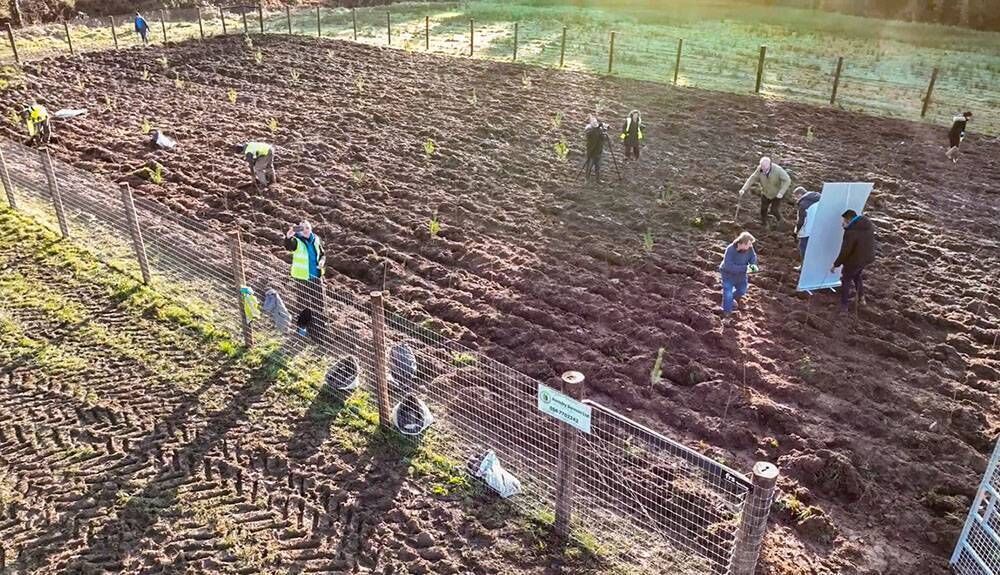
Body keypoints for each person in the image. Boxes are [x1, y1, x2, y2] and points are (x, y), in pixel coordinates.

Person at [284, 221, 326, 336]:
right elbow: (289, 245)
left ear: (311, 228)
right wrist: (289, 235)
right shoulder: (297, 241)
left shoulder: (316, 239)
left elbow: (322, 254)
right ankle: (303, 327)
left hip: (316, 277)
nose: (306, 230)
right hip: (302, 278)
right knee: (304, 303)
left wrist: (322, 262)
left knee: (319, 303)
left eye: (307, 227)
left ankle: (320, 327)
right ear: (299, 231)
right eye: (302, 228)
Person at [831, 209, 876, 313]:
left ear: (849, 220)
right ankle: (862, 298)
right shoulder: (867, 224)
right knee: (857, 275)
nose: (843, 224)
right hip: (867, 258)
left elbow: (845, 251)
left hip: (855, 260)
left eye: (844, 221)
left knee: (846, 279)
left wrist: (835, 264)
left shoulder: (851, 232)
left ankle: (844, 306)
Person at [738, 156, 791, 229]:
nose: (763, 169)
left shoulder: (778, 170)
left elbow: (787, 180)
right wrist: (743, 189)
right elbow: (752, 178)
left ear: (770, 164)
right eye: (762, 167)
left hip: (777, 194)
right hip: (766, 193)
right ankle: (764, 224)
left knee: (774, 210)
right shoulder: (760, 169)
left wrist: (781, 192)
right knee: (763, 210)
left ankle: (781, 221)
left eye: (765, 168)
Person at [718, 231, 758, 316]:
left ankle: (728, 300)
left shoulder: (750, 248)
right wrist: (745, 268)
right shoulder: (730, 249)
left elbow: (753, 257)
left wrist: (752, 265)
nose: (751, 246)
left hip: (741, 275)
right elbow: (729, 266)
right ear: (742, 243)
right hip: (727, 274)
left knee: (742, 290)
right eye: (749, 244)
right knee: (728, 292)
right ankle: (727, 313)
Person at [793, 186, 821, 266]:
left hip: (807, 231)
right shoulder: (819, 199)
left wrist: (796, 232)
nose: (796, 199)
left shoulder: (803, 204)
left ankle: (803, 267)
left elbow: (801, 221)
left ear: (799, 194)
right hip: (818, 229)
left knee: (803, 248)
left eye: (796, 196)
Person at [583, 115, 605, 183]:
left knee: (598, 167)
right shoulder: (589, 129)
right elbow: (590, 135)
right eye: (593, 121)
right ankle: (587, 179)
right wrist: (598, 128)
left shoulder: (600, 129)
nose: (595, 122)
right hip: (591, 151)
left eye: (595, 121)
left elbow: (604, 139)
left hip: (599, 151)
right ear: (590, 123)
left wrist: (604, 131)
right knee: (589, 167)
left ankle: (598, 180)